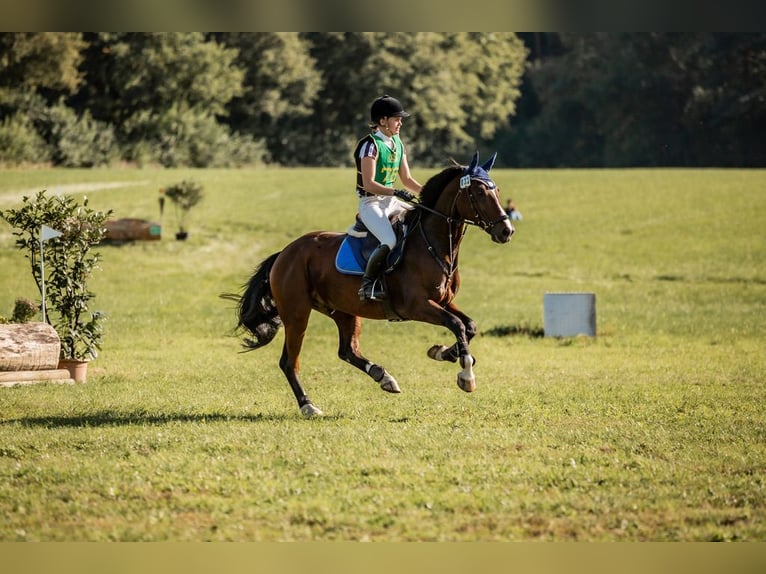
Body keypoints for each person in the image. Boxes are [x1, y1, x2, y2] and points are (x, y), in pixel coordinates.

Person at [353, 95, 423, 301]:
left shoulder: (397, 144)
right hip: (371, 202)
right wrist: (396, 192)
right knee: (389, 240)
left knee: (419, 219)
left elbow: (407, 179)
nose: (400, 122)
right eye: (396, 118)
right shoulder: (370, 145)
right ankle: (367, 285)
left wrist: (428, 193)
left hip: (390, 201)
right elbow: (369, 184)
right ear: (382, 121)